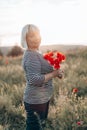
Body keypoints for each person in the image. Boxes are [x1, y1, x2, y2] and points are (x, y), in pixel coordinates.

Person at [21, 24, 64, 130]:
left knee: (40, 126)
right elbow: (35, 79)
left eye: (37, 35)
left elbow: (43, 72)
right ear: (25, 39)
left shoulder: (37, 52)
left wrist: (57, 73)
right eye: (31, 36)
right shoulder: (31, 55)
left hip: (41, 99)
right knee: (35, 127)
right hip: (35, 101)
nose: (36, 38)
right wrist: (54, 74)